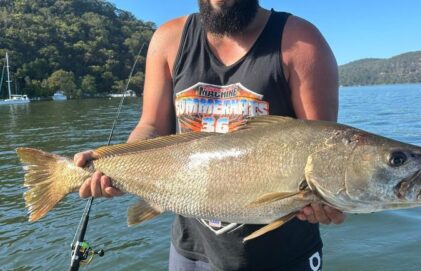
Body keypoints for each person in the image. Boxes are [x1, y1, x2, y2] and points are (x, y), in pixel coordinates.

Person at [74, 0, 345, 270]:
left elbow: (319, 145)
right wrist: (112, 163)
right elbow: (152, 127)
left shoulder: (301, 42)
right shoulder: (168, 40)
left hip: (283, 257)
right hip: (190, 252)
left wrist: (328, 199)